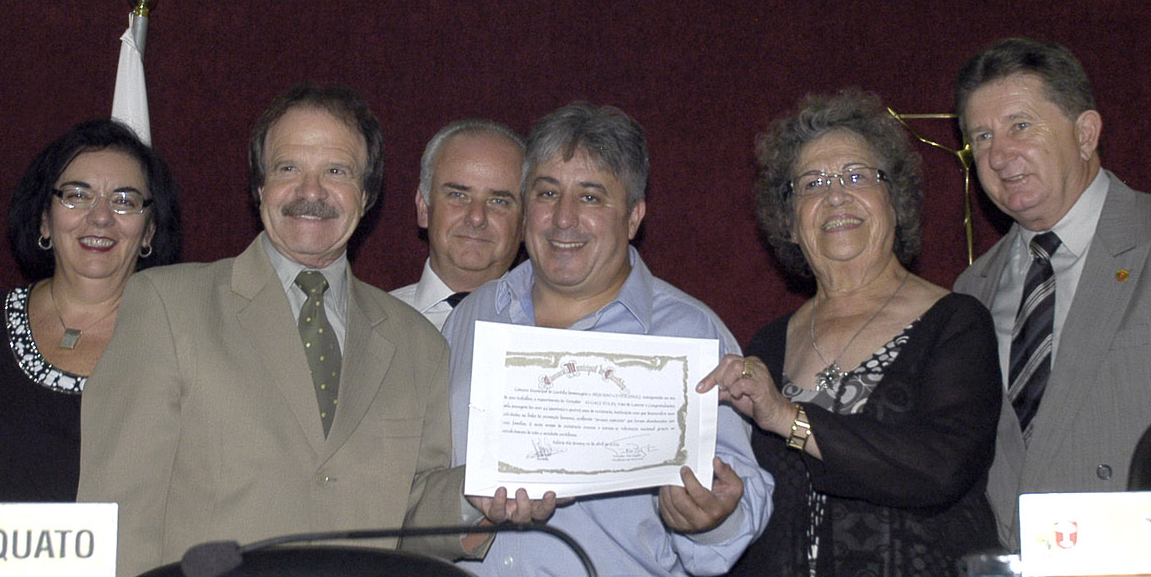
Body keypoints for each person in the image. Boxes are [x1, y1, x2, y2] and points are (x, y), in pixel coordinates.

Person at [78, 83, 470, 577]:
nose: (312, 192)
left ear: (367, 194)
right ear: (259, 187)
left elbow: (413, 515)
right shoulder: (167, 306)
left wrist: (483, 498)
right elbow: (117, 510)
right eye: (288, 169)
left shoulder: (420, 345)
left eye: (336, 171)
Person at [443, 102, 773, 576]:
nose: (563, 219)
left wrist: (714, 519)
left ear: (635, 217)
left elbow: (740, 501)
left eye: (591, 197)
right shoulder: (472, 315)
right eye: (546, 192)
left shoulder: (690, 333)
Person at [702, 90, 1001, 575]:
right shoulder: (768, 346)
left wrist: (787, 417)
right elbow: (754, 505)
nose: (836, 195)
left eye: (857, 176)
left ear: (896, 201)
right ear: (791, 223)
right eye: (813, 183)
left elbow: (940, 467)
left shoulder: (956, 322)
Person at [953, 38, 1151, 549]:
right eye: (981, 136)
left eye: (1021, 126)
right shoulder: (970, 291)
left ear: (1086, 133)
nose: (998, 155)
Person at [0, 118, 182, 502]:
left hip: (138, 562)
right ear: (44, 219)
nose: (100, 216)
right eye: (77, 195)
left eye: (124, 201)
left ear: (150, 231)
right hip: (1, 557)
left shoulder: (179, 337)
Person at [391, 119, 524, 330]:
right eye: (458, 195)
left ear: (525, 222)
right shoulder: (365, 325)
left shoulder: (557, 333)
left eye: (499, 201)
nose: (477, 217)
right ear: (424, 208)